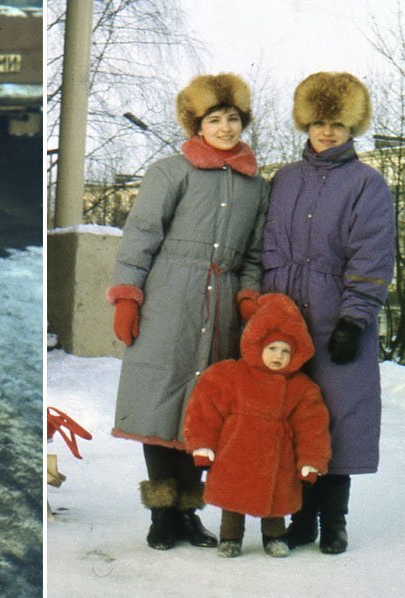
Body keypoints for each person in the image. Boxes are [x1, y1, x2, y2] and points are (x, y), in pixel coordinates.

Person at [106, 73, 270, 551]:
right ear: (197, 125)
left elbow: (256, 256)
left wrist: (248, 297)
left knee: (206, 411)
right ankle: (161, 515)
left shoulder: (256, 186)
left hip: (222, 305)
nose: (224, 127)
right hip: (169, 300)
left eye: (233, 119)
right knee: (161, 401)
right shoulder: (169, 172)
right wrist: (127, 296)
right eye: (214, 119)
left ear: (244, 123)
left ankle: (188, 513)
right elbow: (141, 237)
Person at [262, 71, 395, 554]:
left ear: (352, 127)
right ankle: (301, 518)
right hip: (284, 321)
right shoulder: (285, 180)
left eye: (338, 123)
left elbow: (373, 253)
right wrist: (263, 308)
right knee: (291, 416)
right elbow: (267, 246)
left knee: (338, 418)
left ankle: (334, 520)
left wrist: (353, 317)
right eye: (319, 121)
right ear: (306, 123)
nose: (327, 132)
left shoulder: (367, 184)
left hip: (337, 318)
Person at [183, 293, 331, 558]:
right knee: (233, 498)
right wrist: (202, 445)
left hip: (277, 459)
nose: (279, 356)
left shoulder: (301, 388)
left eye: (286, 351)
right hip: (235, 453)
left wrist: (311, 460)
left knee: (274, 501)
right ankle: (230, 537)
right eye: (273, 348)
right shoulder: (230, 375)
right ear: (257, 345)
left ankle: (274, 536)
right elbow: (205, 409)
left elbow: (312, 426)